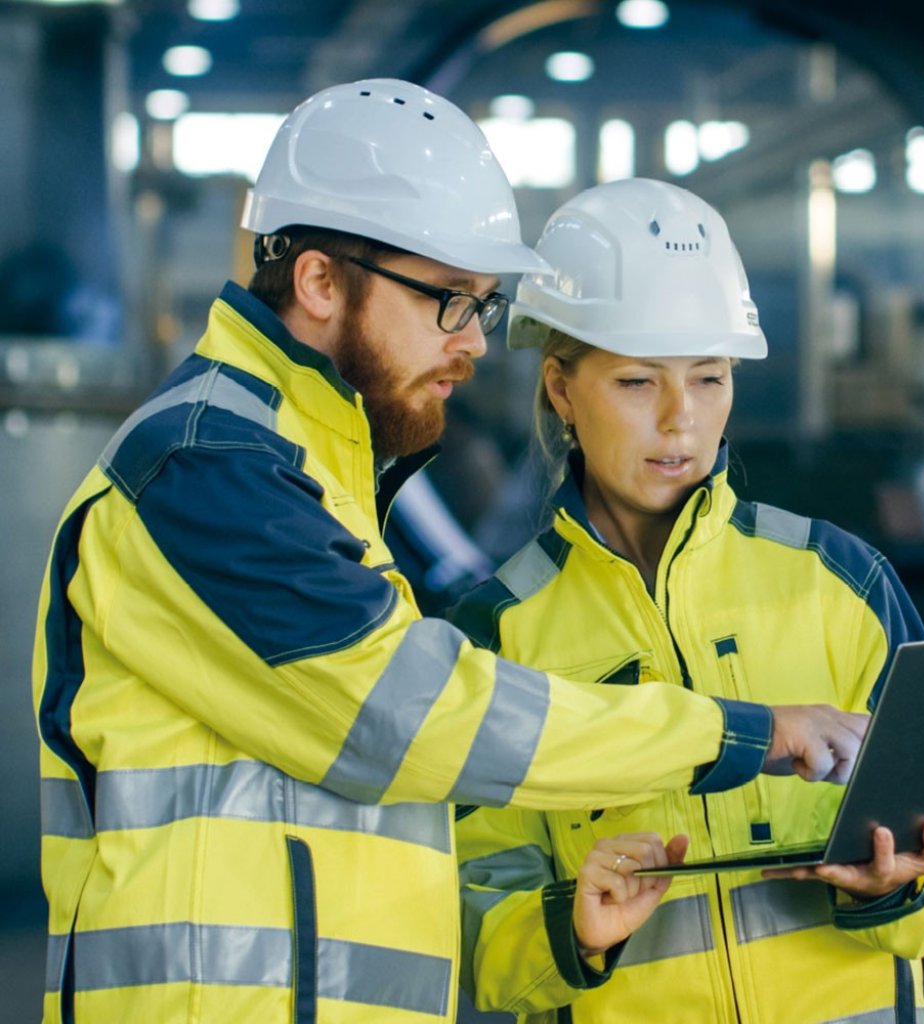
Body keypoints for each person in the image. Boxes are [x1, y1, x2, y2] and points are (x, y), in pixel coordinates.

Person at [32, 82, 866, 1024]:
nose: (474, 342)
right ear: (317, 282)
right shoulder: (206, 465)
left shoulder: (312, 465)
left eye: (483, 304)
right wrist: (733, 734)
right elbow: (409, 717)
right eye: (449, 301)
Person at [450, 178, 924, 1024]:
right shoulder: (493, 639)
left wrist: (897, 884)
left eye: (708, 378)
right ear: (560, 388)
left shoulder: (841, 582)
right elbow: (470, 920)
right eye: (636, 383)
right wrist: (574, 933)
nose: (681, 422)